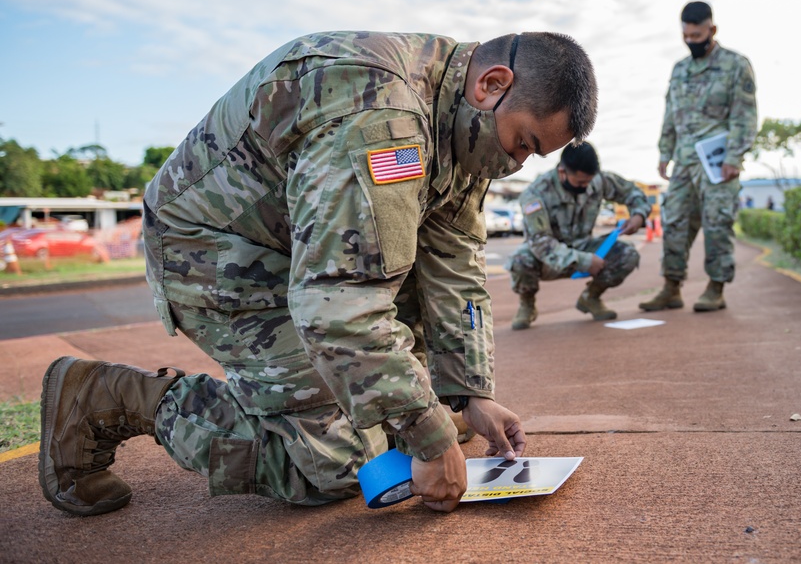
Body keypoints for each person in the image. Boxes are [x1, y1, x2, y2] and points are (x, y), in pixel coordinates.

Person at [38, 30, 598, 516]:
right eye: (523, 142)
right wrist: (427, 438)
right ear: (491, 84)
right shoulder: (383, 119)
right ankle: (109, 396)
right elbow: (339, 303)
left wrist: (469, 392)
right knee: (341, 465)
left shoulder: (467, 126)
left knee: (424, 418)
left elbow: (453, 267)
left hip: (301, 256)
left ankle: (388, 414)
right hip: (218, 252)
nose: (516, 163)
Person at [640, 1, 757, 313]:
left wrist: (734, 156)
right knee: (674, 221)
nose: (692, 41)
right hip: (684, 162)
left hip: (719, 164)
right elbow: (670, 113)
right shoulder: (679, 70)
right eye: (687, 36)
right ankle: (671, 287)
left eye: (697, 35)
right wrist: (665, 151)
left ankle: (716, 287)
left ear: (712, 30)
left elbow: (745, 116)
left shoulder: (735, 65)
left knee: (717, 223)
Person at [505, 142, 651, 330]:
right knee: (520, 260)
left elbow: (633, 192)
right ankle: (527, 305)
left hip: (584, 246)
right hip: (548, 258)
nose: (586, 186)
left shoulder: (598, 180)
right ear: (562, 172)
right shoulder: (536, 193)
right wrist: (582, 260)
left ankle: (591, 297)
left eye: (589, 181)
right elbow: (540, 243)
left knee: (627, 254)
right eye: (580, 182)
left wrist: (638, 215)